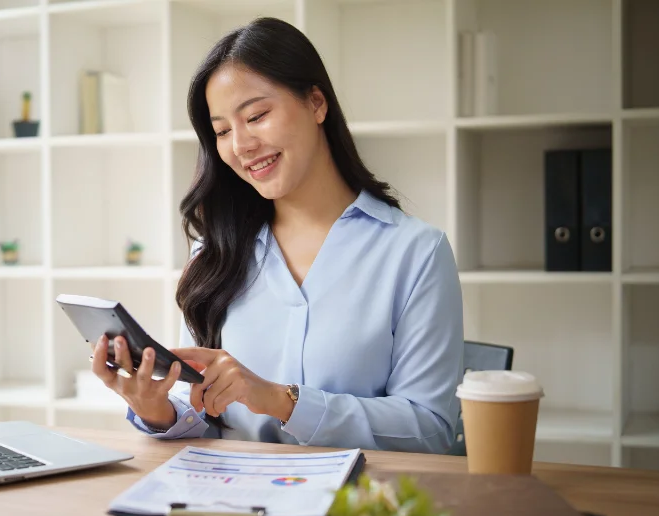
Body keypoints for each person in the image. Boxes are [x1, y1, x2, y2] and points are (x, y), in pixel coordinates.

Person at [89, 17, 464, 454]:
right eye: (223, 131)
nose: (241, 144)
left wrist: (282, 401)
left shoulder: (416, 252)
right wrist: (158, 408)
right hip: (232, 500)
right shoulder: (214, 253)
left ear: (317, 103)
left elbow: (432, 430)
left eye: (257, 116)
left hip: (362, 508)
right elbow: (201, 414)